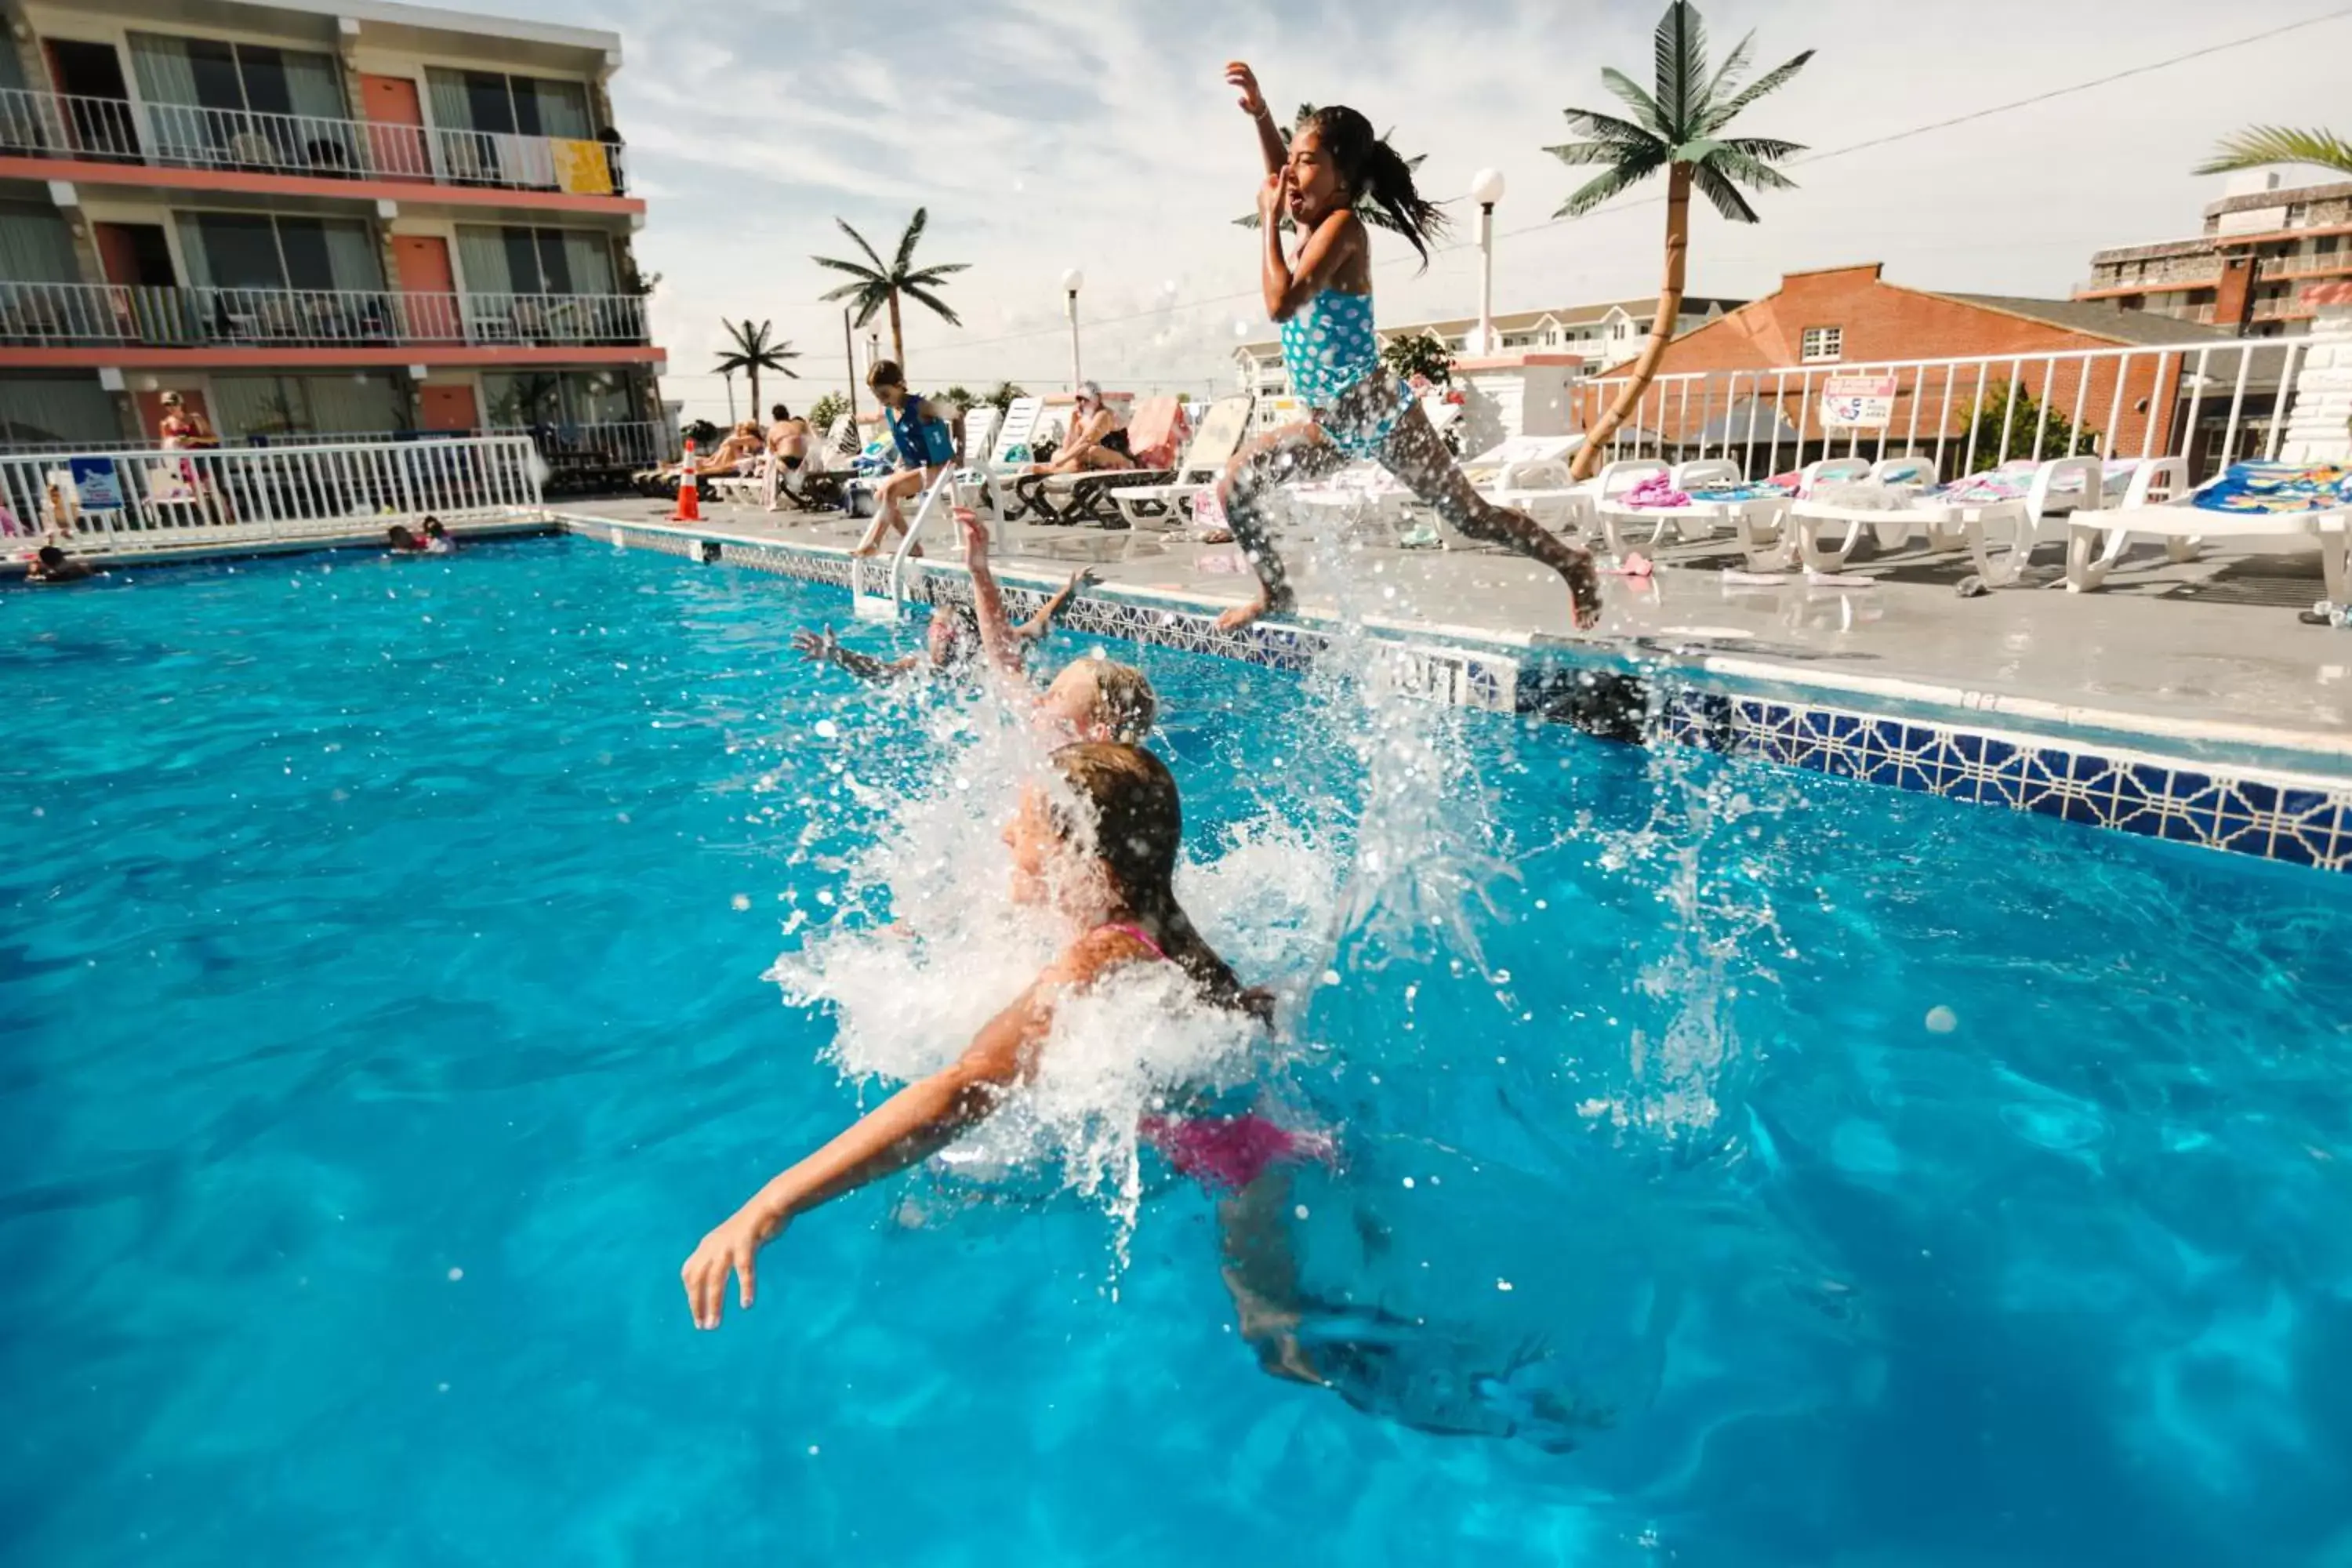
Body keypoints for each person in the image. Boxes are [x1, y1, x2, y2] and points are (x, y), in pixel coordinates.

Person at [681, 741, 1317, 1331]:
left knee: (1277, 1341)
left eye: (1029, 828)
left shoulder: (1096, 959)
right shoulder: (1148, 926)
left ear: (1091, 869)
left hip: (1248, 1169)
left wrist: (773, 1203)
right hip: (1256, 1140)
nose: (1008, 835)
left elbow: (969, 1082)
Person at [1210, 63, 1602, 634]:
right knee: (1236, 486)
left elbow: (1283, 304)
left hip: (1380, 413)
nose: (1291, 174)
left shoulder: (1342, 227)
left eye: (1308, 161)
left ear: (1344, 175)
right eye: (1291, 161)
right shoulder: (1312, 216)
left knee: (1469, 516)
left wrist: (1268, 222)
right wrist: (1263, 114)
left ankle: (1573, 564)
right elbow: (1281, 177)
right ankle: (1278, 593)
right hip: (1334, 425)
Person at [960, 513, 1155, 742]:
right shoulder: (1046, 741)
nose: (1037, 700)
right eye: (1050, 692)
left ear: (1097, 734)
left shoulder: (1081, 773)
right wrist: (980, 573)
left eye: (1056, 696)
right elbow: (1006, 662)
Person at [791, 564, 1095, 685]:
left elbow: (1041, 624)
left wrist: (1071, 591)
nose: (933, 640)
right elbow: (881, 671)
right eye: (932, 631)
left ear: (965, 636)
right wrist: (836, 655)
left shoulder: (999, 652)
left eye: (941, 632)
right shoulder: (928, 666)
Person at [852, 362, 960, 557]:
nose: (882, 400)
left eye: (885, 394)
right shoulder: (891, 411)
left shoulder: (920, 406)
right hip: (914, 468)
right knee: (878, 497)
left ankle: (875, 543)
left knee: (890, 491)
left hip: (937, 466)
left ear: (901, 384)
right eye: (877, 396)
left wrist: (960, 452)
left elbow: (957, 414)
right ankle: (913, 545)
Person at [1022, 382, 1133, 477]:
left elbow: (1087, 440)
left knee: (1089, 452)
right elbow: (1068, 447)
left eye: (1087, 398)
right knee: (1057, 454)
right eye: (1079, 398)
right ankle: (1057, 470)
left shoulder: (1103, 414)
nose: (1083, 402)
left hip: (1121, 458)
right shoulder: (1083, 419)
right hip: (1095, 458)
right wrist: (1073, 422)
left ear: (1097, 399)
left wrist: (1061, 462)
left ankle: (1051, 471)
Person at [764, 403, 817, 512]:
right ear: (788, 415)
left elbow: (771, 450)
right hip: (801, 461)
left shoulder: (774, 429)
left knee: (772, 460)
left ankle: (772, 500)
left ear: (774, 417)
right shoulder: (796, 425)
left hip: (785, 460)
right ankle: (795, 483)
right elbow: (810, 441)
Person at [25, 543, 93, 584]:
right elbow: (91, 575)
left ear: (45, 563)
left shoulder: (47, 577)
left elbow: (29, 579)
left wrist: (32, 571)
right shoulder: (79, 570)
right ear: (62, 558)